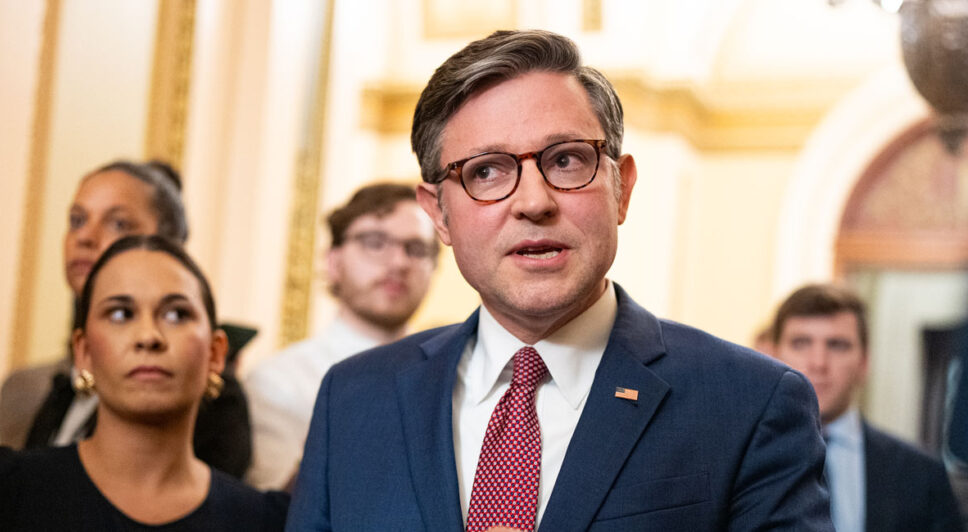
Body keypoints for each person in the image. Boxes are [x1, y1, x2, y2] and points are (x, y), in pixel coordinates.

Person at [286, 29, 831, 531]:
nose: (533, 202)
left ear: (623, 189)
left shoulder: (750, 404)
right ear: (439, 215)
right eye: (486, 171)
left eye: (566, 160)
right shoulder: (354, 400)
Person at [0, 235, 288, 529]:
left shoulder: (265, 522)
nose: (149, 337)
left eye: (176, 314)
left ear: (216, 354)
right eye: (121, 314)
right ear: (84, 352)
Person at [0, 160, 252, 478]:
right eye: (76, 220)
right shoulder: (60, 389)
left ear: (167, 242)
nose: (85, 237)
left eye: (117, 224)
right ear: (83, 351)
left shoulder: (208, 399)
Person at [245, 182, 438, 490]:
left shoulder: (455, 372)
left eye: (416, 249)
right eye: (375, 243)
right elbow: (274, 509)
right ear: (333, 262)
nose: (398, 263)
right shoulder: (277, 381)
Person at [771, 283, 963, 532]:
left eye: (837, 345)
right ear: (771, 357)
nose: (818, 363)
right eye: (801, 343)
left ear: (864, 362)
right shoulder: (734, 461)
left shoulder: (922, 474)